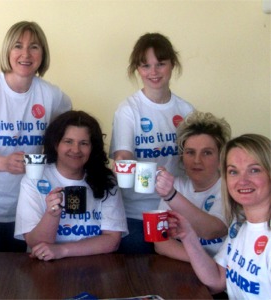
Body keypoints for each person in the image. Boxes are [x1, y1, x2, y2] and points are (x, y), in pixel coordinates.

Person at [0, 21, 72, 252]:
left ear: (43, 54)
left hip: (24, 207)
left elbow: (65, 138)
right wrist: (5, 163)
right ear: (7, 51)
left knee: (20, 279)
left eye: (34, 47)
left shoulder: (52, 95)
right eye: (18, 46)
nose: (25, 54)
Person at [110, 32, 194, 254]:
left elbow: (195, 162)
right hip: (134, 215)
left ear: (172, 65)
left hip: (174, 213)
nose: (153, 72)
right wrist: (133, 167)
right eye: (145, 65)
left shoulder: (186, 111)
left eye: (160, 64)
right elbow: (123, 158)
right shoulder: (128, 109)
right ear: (137, 69)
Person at [15, 111, 128, 260]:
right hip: (45, 267)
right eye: (68, 141)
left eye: (84, 143)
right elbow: (35, 243)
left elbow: (112, 240)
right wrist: (52, 214)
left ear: (92, 147)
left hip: (95, 266)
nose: (76, 150)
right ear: (56, 144)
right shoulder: (34, 179)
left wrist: (62, 250)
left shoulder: (107, 180)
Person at [169, 134, 271, 298]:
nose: (242, 181)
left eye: (254, 170)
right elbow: (217, 280)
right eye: (233, 172)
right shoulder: (240, 225)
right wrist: (188, 235)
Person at [154, 111, 231, 262]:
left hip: (224, 277)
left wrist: (171, 196)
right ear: (182, 156)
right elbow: (160, 241)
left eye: (207, 153)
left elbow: (212, 230)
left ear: (221, 156)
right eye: (190, 152)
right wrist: (204, 264)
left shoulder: (230, 187)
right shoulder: (177, 184)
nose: (197, 160)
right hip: (193, 268)